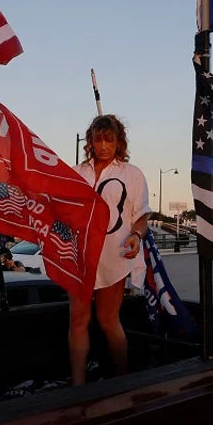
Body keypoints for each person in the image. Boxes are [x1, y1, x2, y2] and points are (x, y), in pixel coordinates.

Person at [70, 114, 152, 385]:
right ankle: (77, 385)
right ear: (90, 142)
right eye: (98, 139)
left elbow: (141, 216)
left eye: (109, 139)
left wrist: (137, 236)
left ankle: (121, 381)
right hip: (80, 255)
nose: (103, 145)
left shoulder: (132, 174)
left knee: (107, 319)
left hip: (113, 255)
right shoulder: (76, 172)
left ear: (119, 142)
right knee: (78, 319)